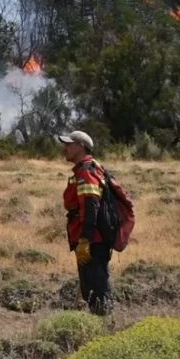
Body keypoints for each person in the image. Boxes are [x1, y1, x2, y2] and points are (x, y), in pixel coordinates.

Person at [58, 130, 112, 316]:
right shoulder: (86, 169)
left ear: (80, 146)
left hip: (92, 241)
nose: (65, 148)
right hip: (91, 239)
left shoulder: (86, 171)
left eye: (69, 144)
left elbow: (91, 206)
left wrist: (85, 241)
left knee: (97, 291)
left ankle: (104, 332)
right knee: (92, 289)